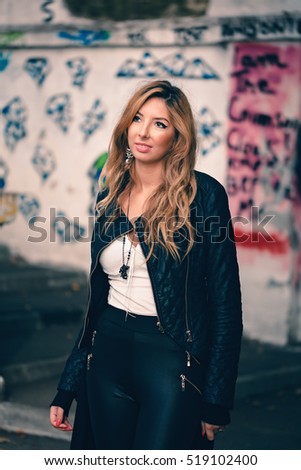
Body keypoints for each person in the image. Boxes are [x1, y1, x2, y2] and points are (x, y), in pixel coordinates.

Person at [49, 79, 243, 450]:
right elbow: (96, 303)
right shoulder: (109, 194)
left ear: (177, 136)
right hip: (106, 356)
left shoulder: (203, 197)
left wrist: (217, 400)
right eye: (138, 118)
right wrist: (68, 385)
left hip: (170, 362)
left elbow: (225, 305)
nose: (144, 131)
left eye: (160, 123)